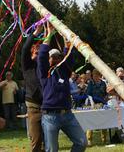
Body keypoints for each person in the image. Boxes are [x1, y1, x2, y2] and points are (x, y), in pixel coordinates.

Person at [37, 23, 87, 152]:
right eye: (52, 57)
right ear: (48, 59)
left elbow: (68, 57)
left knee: (82, 142)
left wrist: (66, 41)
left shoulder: (64, 72)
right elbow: (42, 55)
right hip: (50, 116)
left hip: (67, 114)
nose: (54, 59)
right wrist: (49, 33)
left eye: (57, 57)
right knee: (52, 150)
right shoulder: (44, 73)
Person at [21, 25, 44, 151]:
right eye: (36, 52)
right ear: (32, 52)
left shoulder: (44, 66)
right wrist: (37, 32)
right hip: (34, 108)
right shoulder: (27, 65)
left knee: (48, 142)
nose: (38, 54)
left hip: (47, 108)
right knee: (36, 141)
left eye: (41, 52)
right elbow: (24, 49)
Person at [85, 69, 107, 146]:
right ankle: (89, 140)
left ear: (99, 75)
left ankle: (104, 139)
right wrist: (92, 103)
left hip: (101, 104)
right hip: (92, 104)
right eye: (93, 75)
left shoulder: (103, 83)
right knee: (90, 122)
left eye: (96, 75)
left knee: (103, 122)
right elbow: (88, 94)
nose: (94, 76)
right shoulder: (90, 83)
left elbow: (105, 93)